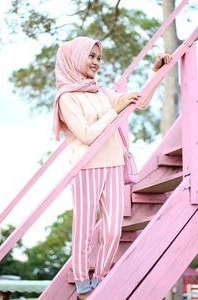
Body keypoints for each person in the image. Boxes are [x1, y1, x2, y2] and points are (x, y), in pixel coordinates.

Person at [53, 36, 171, 300]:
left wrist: (156, 72)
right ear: (74, 58)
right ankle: (83, 284)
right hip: (86, 168)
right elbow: (86, 134)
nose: (96, 62)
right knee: (83, 229)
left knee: (113, 228)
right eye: (91, 56)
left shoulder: (103, 92)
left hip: (115, 164)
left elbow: (139, 102)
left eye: (99, 57)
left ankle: (101, 277)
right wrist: (113, 111)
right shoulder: (66, 98)